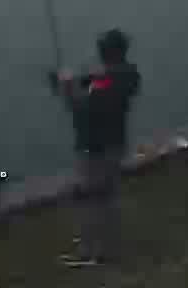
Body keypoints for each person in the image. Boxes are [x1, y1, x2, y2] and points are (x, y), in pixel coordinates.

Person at [51, 28, 141, 267]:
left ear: (105, 52)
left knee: (90, 200)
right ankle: (109, 248)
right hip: (115, 144)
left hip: (95, 149)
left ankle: (89, 252)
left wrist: (67, 87)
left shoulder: (108, 80)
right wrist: (70, 83)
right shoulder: (129, 74)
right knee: (108, 197)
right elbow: (95, 83)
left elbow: (83, 107)